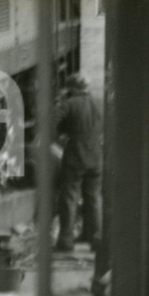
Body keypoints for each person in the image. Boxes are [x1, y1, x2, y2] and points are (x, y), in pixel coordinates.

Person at [54, 73, 103, 256]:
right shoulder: (100, 103)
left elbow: (51, 123)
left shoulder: (69, 104)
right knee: (94, 198)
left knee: (69, 197)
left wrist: (61, 135)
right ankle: (95, 238)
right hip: (96, 157)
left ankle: (66, 241)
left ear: (73, 88)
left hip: (75, 158)